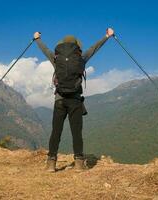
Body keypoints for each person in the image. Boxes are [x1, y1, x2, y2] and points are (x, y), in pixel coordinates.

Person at [34, 28, 114, 172]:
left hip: (59, 99)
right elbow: (94, 48)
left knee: (56, 132)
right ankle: (78, 164)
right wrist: (107, 36)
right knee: (76, 132)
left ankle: (51, 163)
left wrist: (37, 39)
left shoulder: (56, 58)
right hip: (75, 100)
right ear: (76, 46)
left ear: (62, 45)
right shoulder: (81, 58)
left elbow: (44, 50)